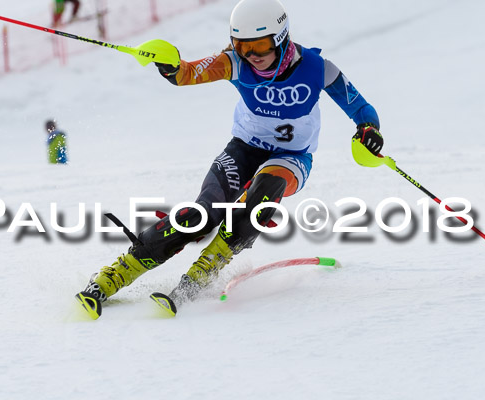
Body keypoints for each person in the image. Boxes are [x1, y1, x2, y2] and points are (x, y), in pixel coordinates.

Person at [76, 0, 383, 318]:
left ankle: (206, 268)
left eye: (260, 45)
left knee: (264, 190)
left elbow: (361, 109)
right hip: (244, 147)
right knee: (201, 215)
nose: (252, 55)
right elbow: (187, 74)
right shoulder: (234, 62)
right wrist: (169, 65)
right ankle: (115, 275)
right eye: (243, 45)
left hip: (291, 157)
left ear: (281, 37)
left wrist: (369, 130)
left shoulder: (317, 68)